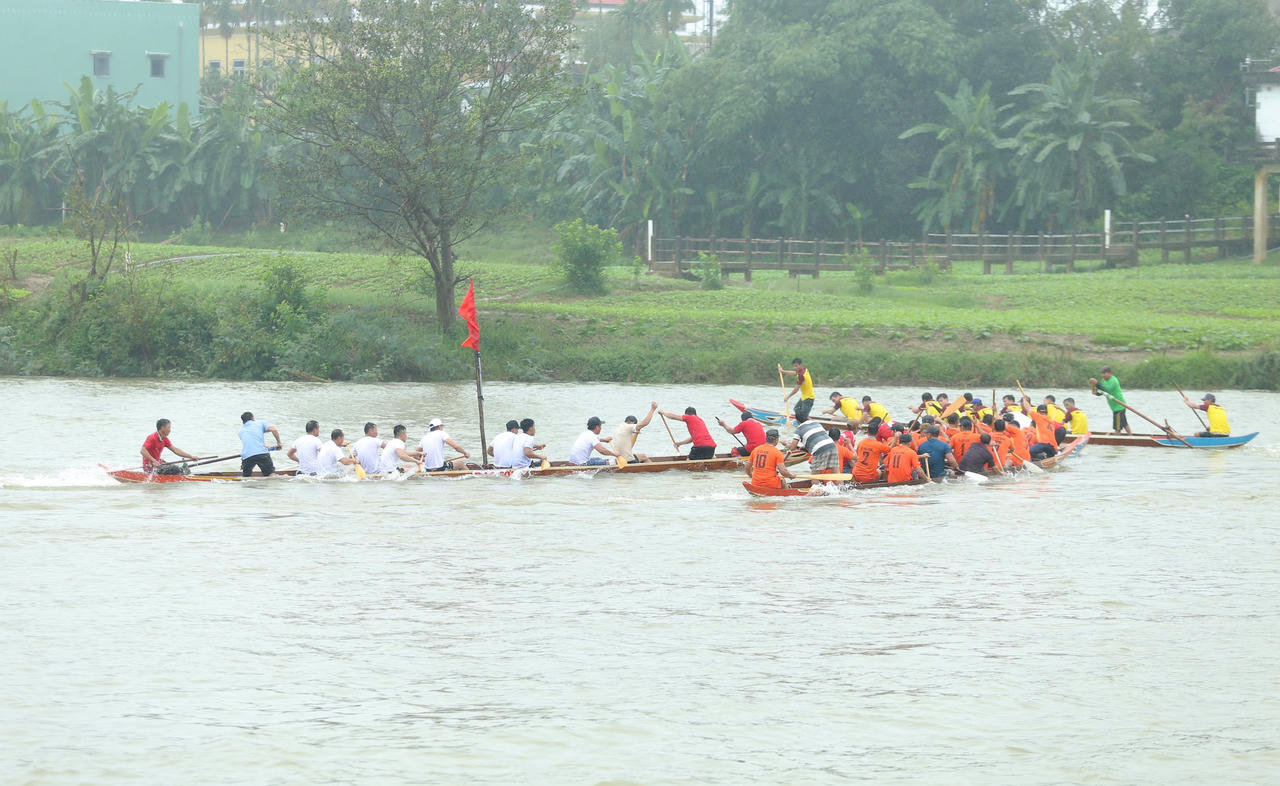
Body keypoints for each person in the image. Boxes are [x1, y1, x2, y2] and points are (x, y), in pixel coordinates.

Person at [238, 411, 282, 477]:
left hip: (247, 456)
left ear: (243, 422)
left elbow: (252, 444)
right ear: (253, 418)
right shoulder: (260, 423)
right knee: (271, 474)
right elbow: (274, 429)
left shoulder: (240, 431)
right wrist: (279, 443)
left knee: (246, 477)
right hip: (262, 454)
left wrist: (267, 447)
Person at [1089, 366, 1131, 435]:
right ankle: (1131, 437)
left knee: (1117, 427)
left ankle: (1117, 441)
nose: (1102, 375)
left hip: (1119, 406)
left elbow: (1107, 390)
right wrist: (1096, 392)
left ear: (1110, 373)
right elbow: (1102, 392)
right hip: (1115, 407)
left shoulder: (1113, 380)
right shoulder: (1103, 380)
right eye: (1102, 373)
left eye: (1104, 373)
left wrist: (1097, 383)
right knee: (1124, 424)